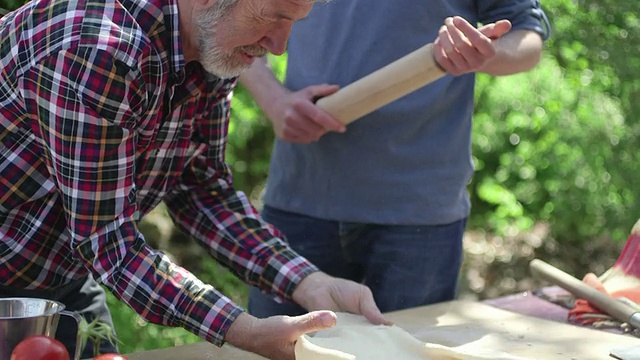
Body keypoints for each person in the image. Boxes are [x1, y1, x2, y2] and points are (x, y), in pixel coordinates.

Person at [0, 0, 389, 359]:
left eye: (293, 23)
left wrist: (309, 282)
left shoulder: (211, 46)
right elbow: (108, 241)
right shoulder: (98, 49)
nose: (279, 46)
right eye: (272, 16)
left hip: (60, 277)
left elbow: (203, 191)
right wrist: (245, 330)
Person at [239, 1, 551, 318]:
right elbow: (234, 17)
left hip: (418, 218)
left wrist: (483, 52)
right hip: (299, 195)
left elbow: (527, 38)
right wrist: (274, 100)